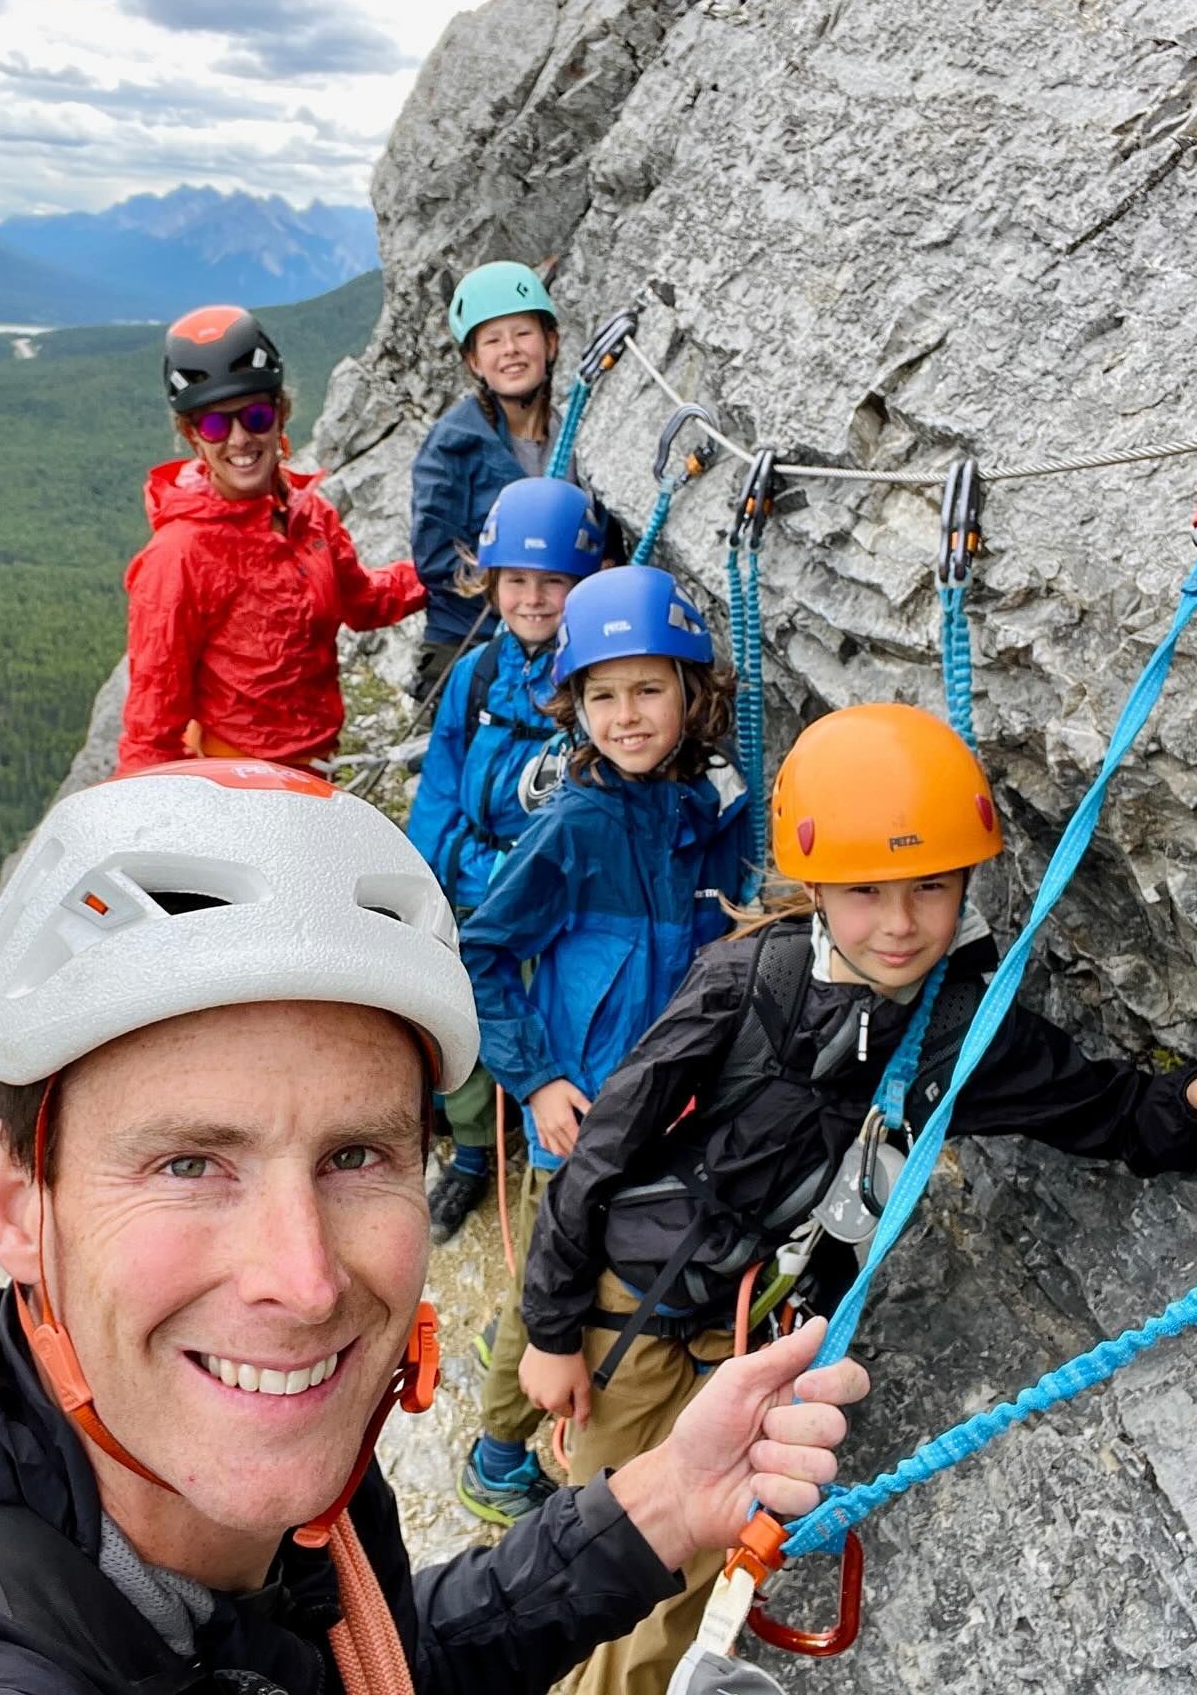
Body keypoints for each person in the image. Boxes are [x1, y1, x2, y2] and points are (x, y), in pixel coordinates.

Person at [0, 761, 868, 1695]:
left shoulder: (255, 1485)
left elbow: (372, 1663)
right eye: (189, 1164)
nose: (303, 1283)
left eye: (356, 1157)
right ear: (20, 1204)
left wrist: (663, 1502)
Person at [517, 702, 1197, 1695]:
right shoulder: (746, 981)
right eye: (865, 892)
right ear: (814, 888)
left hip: (759, 1332)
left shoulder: (966, 1039)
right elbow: (604, 1150)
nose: (900, 924)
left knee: (686, 1556)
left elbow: (1121, 1118)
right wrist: (550, 1333)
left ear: (969, 885)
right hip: (636, 1295)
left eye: (932, 888)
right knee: (599, 1517)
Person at [454, 565, 752, 1528]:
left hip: (673, 1106)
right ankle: (499, 1455)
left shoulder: (709, 814)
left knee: (606, 1271)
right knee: (553, 1280)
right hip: (580, 1110)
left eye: (648, 689)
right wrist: (537, 1080)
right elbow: (484, 950)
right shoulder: (577, 825)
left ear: (691, 693)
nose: (626, 717)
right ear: (574, 706)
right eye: (601, 695)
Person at [407, 476, 606, 1243]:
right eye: (515, 580)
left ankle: (538, 1140)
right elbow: (441, 790)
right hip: (471, 883)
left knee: (539, 1018)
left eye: (552, 581)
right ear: (490, 582)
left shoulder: (593, 678)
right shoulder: (478, 673)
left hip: (549, 899)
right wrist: (443, 877)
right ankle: (471, 1153)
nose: (530, 598)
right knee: (461, 1013)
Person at [119, 304, 425, 772]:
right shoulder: (177, 556)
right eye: (215, 424)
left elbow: (363, 602)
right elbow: (152, 729)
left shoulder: (311, 517)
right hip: (236, 786)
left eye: (256, 415)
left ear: (281, 415)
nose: (239, 439)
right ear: (191, 436)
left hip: (314, 772)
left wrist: (451, 572)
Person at [409, 261, 622, 705]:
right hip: (471, 642)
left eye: (523, 334)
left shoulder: (584, 435)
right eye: (492, 340)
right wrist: (517, 589)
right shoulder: (454, 444)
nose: (510, 350)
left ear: (551, 343)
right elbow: (434, 558)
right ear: (475, 361)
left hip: (565, 631)